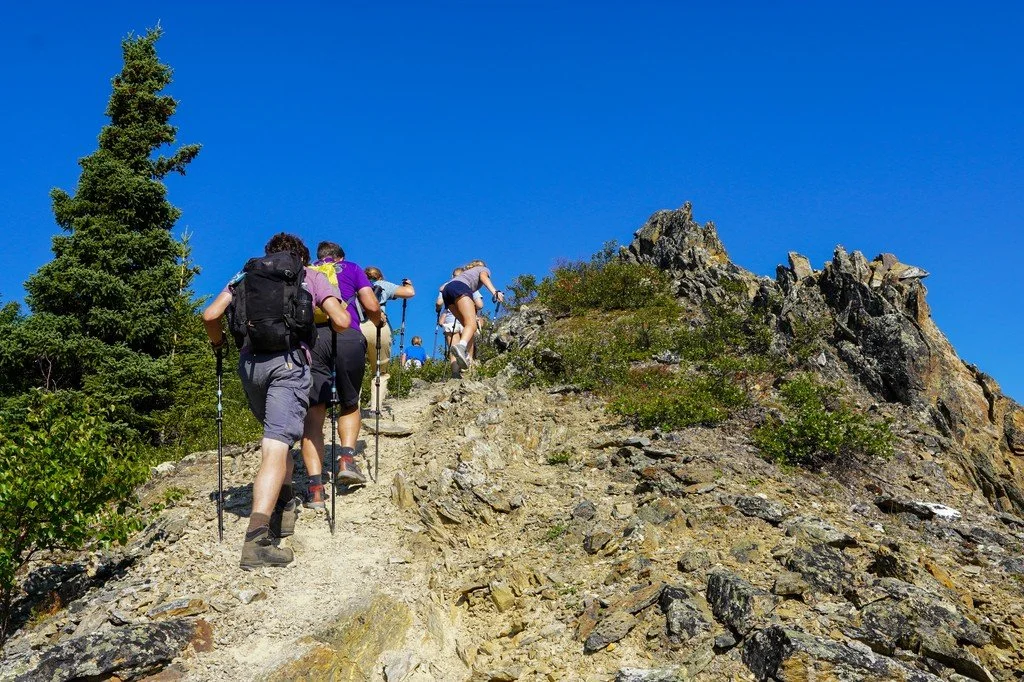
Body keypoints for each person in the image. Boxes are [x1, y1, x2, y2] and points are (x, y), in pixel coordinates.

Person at [202, 233, 350, 570]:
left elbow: (210, 316)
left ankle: (284, 508)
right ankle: (257, 539)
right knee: (276, 444)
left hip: (250, 364)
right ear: (302, 256)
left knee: (278, 440)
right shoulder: (308, 274)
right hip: (289, 363)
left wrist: (217, 345)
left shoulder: (246, 275)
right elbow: (341, 321)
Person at [301, 242, 383, 499]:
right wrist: (378, 321)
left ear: (319, 257)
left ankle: (315, 488)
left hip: (313, 340)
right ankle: (346, 460)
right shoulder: (352, 268)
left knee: (314, 411)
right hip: (347, 333)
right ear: (340, 256)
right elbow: (370, 303)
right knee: (350, 403)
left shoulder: (307, 270)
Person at [360, 266, 415, 411]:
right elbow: (410, 293)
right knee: (380, 371)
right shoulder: (382, 284)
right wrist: (408, 284)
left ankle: (352, 409)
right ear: (379, 276)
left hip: (357, 326)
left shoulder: (358, 284)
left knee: (355, 369)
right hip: (378, 325)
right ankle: (375, 408)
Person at [439, 260, 503, 370]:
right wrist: (495, 292)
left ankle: (465, 357)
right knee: (472, 324)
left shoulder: (464, 274)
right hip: (460, 289)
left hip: (447, 294)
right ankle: (462, 347)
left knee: (466, 325)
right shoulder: (483, 269)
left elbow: (441, 289)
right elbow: (484, 277)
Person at [435, 267, 483, 378]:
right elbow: (480, 304)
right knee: (468, 347)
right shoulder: (469, 284)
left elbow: (439, 302)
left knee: (454, 347)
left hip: (450, 320)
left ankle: (455, 375)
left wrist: (438, 310)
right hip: (467, 318)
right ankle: (468, 373)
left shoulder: (447, 286)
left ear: (452, 276)